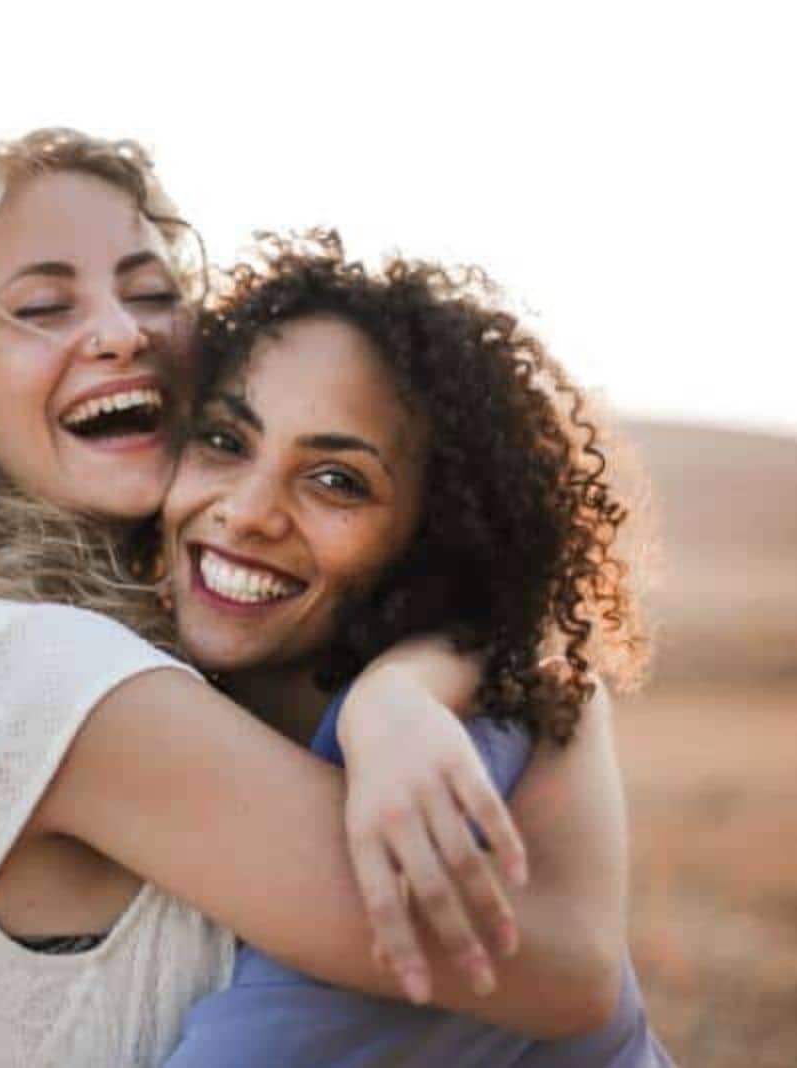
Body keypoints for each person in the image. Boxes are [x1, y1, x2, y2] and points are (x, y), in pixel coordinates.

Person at [0, 129, 627, 1068]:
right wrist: (560, 694)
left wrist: (404, 686)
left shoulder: (29, 653)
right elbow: (559, 966)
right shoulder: (43, 673)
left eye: (152, 292)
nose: (120, 330)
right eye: (43, 305)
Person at [155, 231, 670, 1065]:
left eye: (337, 481)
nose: (249, 511)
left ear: (432, 540)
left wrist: (396, 700)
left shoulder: (427, 802)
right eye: (224, 438)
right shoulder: (345, 704)